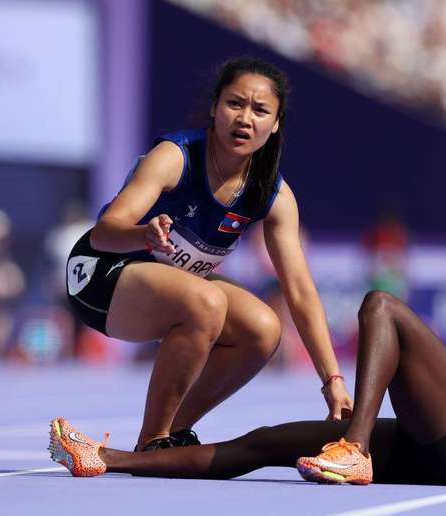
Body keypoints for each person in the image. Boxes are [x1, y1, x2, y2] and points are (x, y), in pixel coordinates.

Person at [50, 291, 446, 486]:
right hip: (444, 445)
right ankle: (106, 457)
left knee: (383, 308)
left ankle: (353, 448)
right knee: (267, 441)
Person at [65, 57, 352, 451]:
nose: (245, 118)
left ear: (276, 123)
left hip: (177, 289)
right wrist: (144, 235)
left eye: (260, 110)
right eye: (235, 103)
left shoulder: (275, 196)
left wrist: (333, 381)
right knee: (207, 301)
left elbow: (300, 291)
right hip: (100, 275)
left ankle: (174, 428)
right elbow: (103, 234)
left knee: (263, 329)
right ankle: (153, 443)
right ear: (215, 106)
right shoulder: (174, 157)